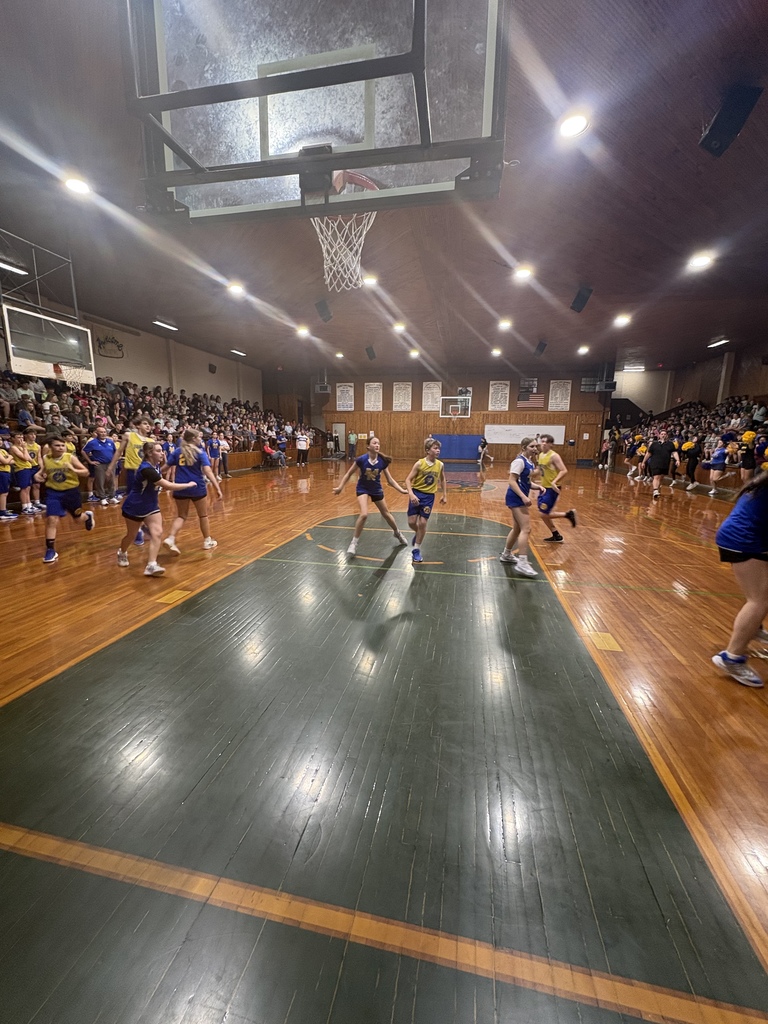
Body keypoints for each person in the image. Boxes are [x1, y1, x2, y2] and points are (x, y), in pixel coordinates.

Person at [712, 471, 768, 687]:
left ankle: (753, 628)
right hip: (743, 539)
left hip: (748, 536)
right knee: (759, 600)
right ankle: (732, 658)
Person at [118, 441, 197, 576]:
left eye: (162, 450)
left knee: (157, 533)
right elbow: (166, 485)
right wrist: (188, 485)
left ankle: (151, 565)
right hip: (135, 506)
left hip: (151, 506)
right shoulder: (146, 469)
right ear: (149, 453)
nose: (162, 453)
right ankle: (122, 552)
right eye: (159, 451)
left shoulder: (155, 466)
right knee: (131, 535)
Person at [333, 436, 408, 555]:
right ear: (368, 446)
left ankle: (397, 533)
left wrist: (401, 490)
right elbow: (348, 474)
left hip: (376, 489)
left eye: (378, 443)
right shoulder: (361, 460)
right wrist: (340, 487)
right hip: (363, 489)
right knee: (364, 514)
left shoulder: (382, 462)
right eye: (374, 443)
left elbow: (390, 480)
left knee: (386, 514)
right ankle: (354, 543)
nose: (377, 445)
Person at [35, 435, 94, 564]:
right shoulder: (46, 458)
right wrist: (38, 475)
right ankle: (50, 549)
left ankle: (87, 517)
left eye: (62, 445)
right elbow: (42, 471)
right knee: (51, 519)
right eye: (57, 445)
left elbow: (85, 472)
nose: (61, 448)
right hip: (53, 492)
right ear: (50, 447)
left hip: (71, 492)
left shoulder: (70, 457)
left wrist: (73, 469)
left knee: (78, 520)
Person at [163, 429, 222, 555]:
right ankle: (207, 540)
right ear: (194, 438)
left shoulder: (178, 452)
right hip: (197, 487)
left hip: (180, 487)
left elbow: (165, 468)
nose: (200, 439)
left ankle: (171, 538)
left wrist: (152, 474)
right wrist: (217, 488)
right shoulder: (200, 453)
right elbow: (208, 471)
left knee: (181, 516)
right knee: (203, 515)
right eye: (199, 437)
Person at [499, 437, 543, 577]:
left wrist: (538, 487)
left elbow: (526, 482)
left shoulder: (529, 462)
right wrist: (524, 497)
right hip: (516, 497)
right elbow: (512, 481)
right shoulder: (519, 461)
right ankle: (522, 563)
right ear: (524, 447)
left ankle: (506, 554)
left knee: (517, 528)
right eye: (531, 446)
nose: (535, 449)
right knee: (526, 529)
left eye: (536, 446)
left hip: (519, 497)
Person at [109, 415, 154, 545]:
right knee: (136, 501)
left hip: (147, 473)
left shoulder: (150, 440)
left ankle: (143, 526)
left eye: (149, 425)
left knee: (146, 501)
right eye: (145, 423)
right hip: (133, 472)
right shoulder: (129, 436)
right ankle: (139, 530)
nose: (148, 426)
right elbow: (118, 452)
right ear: (138, 425)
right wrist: (111, 467)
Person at [405, 438, 448, 563]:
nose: (438, 450)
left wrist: (444, 495)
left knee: (423, 523)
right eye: (435, 448)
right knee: (412, 522)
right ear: (427, 450)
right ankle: (418, 534)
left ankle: (416, 549)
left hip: (429, 497)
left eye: (438, 448)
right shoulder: (419, 464)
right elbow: (408, 480)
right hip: (416, 494)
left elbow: (443, 479)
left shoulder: (440, 465)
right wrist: (411, 494)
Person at [535, 434, 577, 542]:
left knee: (544, 513)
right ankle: (556, 535)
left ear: (551, 444)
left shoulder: (554, 456)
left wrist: (554, 481)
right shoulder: (540, 455)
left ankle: (568, 515)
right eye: (542, 441)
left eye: (546, 442)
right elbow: (540, 470)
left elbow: (564, 470)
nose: (543, 443)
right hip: (543, 487)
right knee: (543, 513)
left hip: (552, 488)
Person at [82, 425, 118, 505]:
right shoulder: (92, 442)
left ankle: (112, 497)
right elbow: (83, 452)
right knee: (100, 481)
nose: (103, 433)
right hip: (100, 464)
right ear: (97, 433)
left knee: (111, 481)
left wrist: (115, 461)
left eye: (104, 432)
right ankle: (102, 498)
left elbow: (115, 451)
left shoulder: (110, 441)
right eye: (101, 432)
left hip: (110, 464)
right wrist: (90, 461)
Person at [641, 430, 679, 499]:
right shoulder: (654, 444)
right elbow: (648, 453)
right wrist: (643, 462)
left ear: (667, 435)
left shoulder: (670, 444)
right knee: (656, 476)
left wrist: (678, 460)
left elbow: (674, 452)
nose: (663, 435)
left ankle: (657, 489)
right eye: (662, 434)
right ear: (659, 435)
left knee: (661, 477)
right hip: (655, 462)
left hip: (665, 463)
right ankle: (655, 490)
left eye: (665, 434)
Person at [0, 444, 18, 520]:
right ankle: (2, 512)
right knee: (3, 493)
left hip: (7, 472)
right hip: (1, 472)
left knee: (5, 492)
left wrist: (7, 460)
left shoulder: (3, 450)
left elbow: (13, 461)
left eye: (0, 440)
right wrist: (9, 457)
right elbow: (6, 461)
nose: (0, 441)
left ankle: (3, 509)